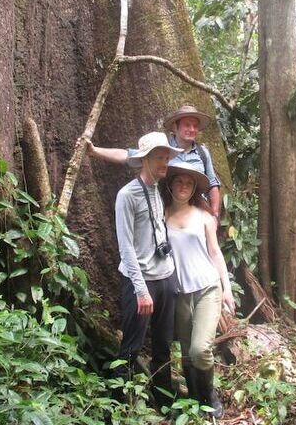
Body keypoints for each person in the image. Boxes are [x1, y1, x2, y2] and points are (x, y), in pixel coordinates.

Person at [160, 160, 235, 418]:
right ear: (171, 185)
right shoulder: (163, 215)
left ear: (194, 189)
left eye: (189, 182)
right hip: (180, 292)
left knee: (199, 349)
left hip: (207, 288)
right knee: (185, 352)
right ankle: (194, 398)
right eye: (179, 181)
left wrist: (227, 289)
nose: (183, 185)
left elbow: (215, 253)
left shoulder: (204, 216)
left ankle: (210, 394)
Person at [113, 131, 182, 408]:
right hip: (139, 283)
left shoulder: (157, 189)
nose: (165, 162)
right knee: (131, 348)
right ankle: (119, 405)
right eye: (159, 157)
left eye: (166, 156)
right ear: (144, 160)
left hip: (165, 278)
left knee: (163, 346)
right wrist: (141, 290)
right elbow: (126, 247)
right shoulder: (126, 195)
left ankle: (164, 400)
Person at [86, 105, 223, 221]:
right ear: (175, 127)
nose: (192, 129)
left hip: (195, 212)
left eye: (195, 126)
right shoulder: (162, 148)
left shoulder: (203, 152)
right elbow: (127, 155)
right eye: (187, 125)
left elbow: (212, 185)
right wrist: (94, 151)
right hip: (165, 210)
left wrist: (214, 215)